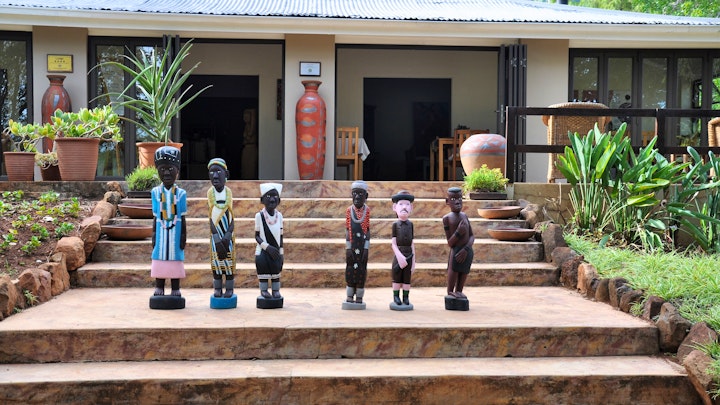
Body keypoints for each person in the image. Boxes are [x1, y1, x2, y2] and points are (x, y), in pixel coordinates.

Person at [149, 145, 187, 309]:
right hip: (160, 231)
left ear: (177, 171)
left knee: (175, 259)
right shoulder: (155, 192)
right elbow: (155, 216)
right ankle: (159, 285)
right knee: (159, 259)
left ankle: (175, 287)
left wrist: (183, 236)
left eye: (170, 169)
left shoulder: (181, 194)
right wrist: (153, 235)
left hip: (176, 231)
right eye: (162, 169)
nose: (166, 173)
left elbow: (182, 217)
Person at [207, 158, 236, 304]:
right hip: (215, 235)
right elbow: (211, 218)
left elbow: (232, 218)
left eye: (218, 171)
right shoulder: (210, 193)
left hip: (227, 235)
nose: (215, 176)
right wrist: (217, 238)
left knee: (229, 264)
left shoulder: (228, 193)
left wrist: (227, 236)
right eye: (212, 172)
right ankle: (217, 287)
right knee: (216, 263)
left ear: (226, 174)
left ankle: (229, 288)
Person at [442, 186, 474, 304]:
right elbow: (450, 243)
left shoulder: (464, 216)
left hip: (467, 250)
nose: (457, 202)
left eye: (459, 198)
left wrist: (466, 249)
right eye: (453, 199)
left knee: (464, 271)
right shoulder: (447, 219)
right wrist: (458, 233)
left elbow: (472, 236)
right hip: (456, 251)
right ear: (447, 201)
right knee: (454, 270)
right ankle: (451, 291)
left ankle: (459, 290)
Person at [255, 182, 284, 308]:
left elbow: (281, 236)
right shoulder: (259, 216)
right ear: (262, 200)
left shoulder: (280, 216)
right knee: (263, 269)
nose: (272, 199)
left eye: (274, 196)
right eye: (268, 196)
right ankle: (264, 290)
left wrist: (281, 252)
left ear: (279, 200)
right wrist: (267, 247)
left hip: (276, 251)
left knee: (276, 270)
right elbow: (257, 236)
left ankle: (276, 290)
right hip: (263, 251)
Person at [344, 180, 370, 308]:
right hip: (352, 245)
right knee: (350, 269)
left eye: (361, 194)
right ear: (351, 195)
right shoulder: (349, 211)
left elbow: (368, 230)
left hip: (362, 246)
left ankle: (359, 295)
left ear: (366, 196)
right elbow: (347, 229)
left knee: (361, 270)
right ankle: (350, 294)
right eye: (355, 193)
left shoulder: (367, 211)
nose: (357, 197)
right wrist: (348, 248)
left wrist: (366, 248)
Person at [390, 190, 415, 310]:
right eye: (401, 204)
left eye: (407, 204)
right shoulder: (395, 225)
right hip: (399, 255)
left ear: (411, 208)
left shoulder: (411, 225)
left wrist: (413, 261)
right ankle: (396, 296)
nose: (404, 207)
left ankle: (406, 297)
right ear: (394, 207)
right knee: (397, 277)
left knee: (407, 278)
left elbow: (412, 242)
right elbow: (393, 243)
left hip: (409, 254)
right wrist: (399, 256)